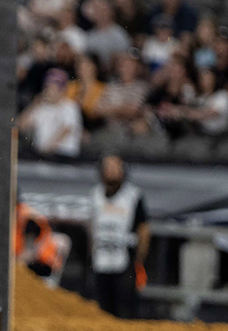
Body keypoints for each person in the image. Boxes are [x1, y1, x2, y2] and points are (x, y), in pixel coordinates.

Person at [89, 154, 150, 318]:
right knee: (102, 307)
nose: (111, 171)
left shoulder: (133, 195)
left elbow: (143, 228)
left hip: (125, 258)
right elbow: (92, 224)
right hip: (101, 258)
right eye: (107, 167)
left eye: (115, 167)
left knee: (125, 308)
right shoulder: (95, 194)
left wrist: (139, 260)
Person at [19, 68, 83, 157]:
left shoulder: (70, 106)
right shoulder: (41, 107)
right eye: (47, 86)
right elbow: (21, 126)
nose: (49, 90)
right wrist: (34, 104)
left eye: (53, 87)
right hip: (42, 156)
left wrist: (47, 149)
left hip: (64, 157)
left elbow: (66, 130)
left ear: (62, 89)